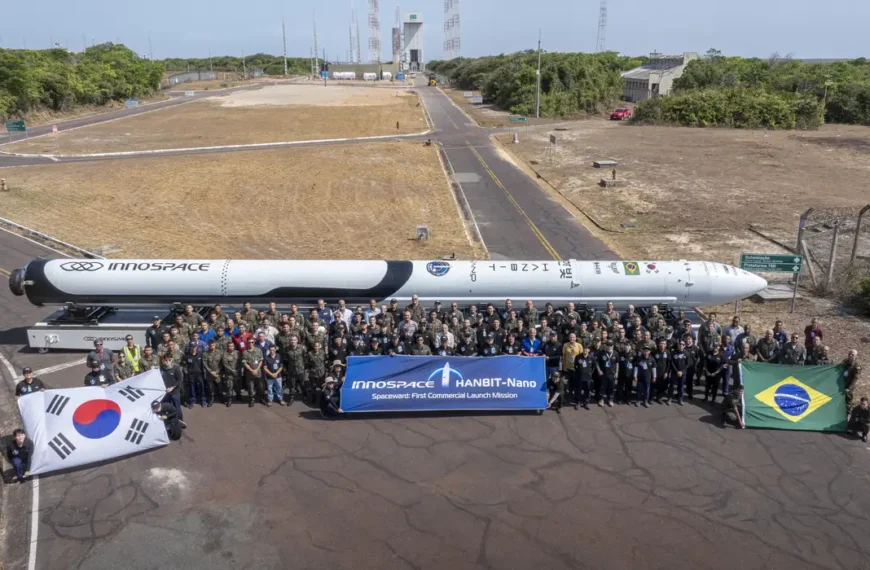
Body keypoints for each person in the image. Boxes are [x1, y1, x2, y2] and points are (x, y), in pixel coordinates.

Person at [159, 353, 184, 421]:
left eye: (169, 360)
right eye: (166, 360)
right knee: (165, 407)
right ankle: (168, 419)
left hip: (174, 391)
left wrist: (172, 387)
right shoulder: (161, 369)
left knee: (177, 407)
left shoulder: (176, 368)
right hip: (165, 392)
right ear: (163, 360)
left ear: (172, 360)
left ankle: (180, 420)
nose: (167, 361)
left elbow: (180, 379)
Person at [595, 340, 619, 407]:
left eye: (610, 345)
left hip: (612, 374)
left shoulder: (615, 353)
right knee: (602, 387)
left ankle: (610, 399)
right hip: (603, 374)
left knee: (611, 387)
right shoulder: (601, 353)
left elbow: (617, 363)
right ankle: (601, 399)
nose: (609, 346)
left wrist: (617, 372)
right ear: (605, 345)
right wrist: (599, 370)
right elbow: (597, 362)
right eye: (607, 345)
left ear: (613, 346)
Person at [184, 342, 208, 408]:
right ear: (189, 347)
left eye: (194, 346)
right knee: (192, 388)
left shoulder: (200, 354)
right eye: (191, 346)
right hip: (191, 375)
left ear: (196, 347)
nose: (193, 348)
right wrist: (186, 372)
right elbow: (185, 365)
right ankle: (192, 401)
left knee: (202, 387)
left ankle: (203, 400)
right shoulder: (187, 355)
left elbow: (204, 364)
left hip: (200, 374)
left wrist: (204, 373)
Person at [243, 341, 264, 407]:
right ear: (247, 343)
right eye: (249, 342)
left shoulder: (258, 350)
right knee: (250, 386)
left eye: (252, 342)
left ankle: (261, 398)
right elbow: (244, 363)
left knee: (260, 386)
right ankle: (252, 399)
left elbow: (261, 360)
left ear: (254, 343)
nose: (251, 343)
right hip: (249, 372)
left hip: (258, 372)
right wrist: (252, 370)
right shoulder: (245, 352)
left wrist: (257, 369)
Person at [573, 345, 595, 409]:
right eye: (584, 349)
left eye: (586, 349)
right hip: (579, 377)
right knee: (578, 390)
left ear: (589, 350)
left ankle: (586, 403)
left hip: (588, 377)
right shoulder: (578, 357)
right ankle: (578, 402)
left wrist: (590, 373)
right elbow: (575, 366)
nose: (585, 350)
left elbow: (594, 366)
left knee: (587, 390)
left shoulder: (591, 357)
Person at [220, 341, 241, 406]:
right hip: (229, 374)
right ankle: (229, 399)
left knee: (238, 386)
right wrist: (233, 371)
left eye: (232, 346)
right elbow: (225, 364)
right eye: (229, 346)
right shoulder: (225, 354)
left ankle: (238, 396)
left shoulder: (238, 353)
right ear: (227, 347)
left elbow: (241, 362)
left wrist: (238, 369)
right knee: (229, 387)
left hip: (237, 373)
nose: (231, 347)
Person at [203, 339, 222, 406]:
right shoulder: (205, 353)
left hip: (218, 373)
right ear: (208, 346)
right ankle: (212, 398)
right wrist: (211, 371)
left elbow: (221, 363)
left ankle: (221, 397)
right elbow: (205, 363)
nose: (212, 347)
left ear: (215, 345)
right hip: (209, 373)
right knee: (211, 387)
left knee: (220, 386)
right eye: (211, 345)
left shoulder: (219, 352)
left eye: (213, 345)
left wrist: (217, 371)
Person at [669, 340, 689, 405]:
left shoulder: (686, 353)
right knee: (671, 385)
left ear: (684, 346)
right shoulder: (673, 352)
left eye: (682, 344)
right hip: (674, 372)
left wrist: (682, 371)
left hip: (683, 373)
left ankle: (680, 399)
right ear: (677, 345)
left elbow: (688, 364)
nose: (681, 345)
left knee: (681, 386)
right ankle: (669, 398)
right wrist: (676, 370)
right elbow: (671, 362)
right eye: (679, 344)